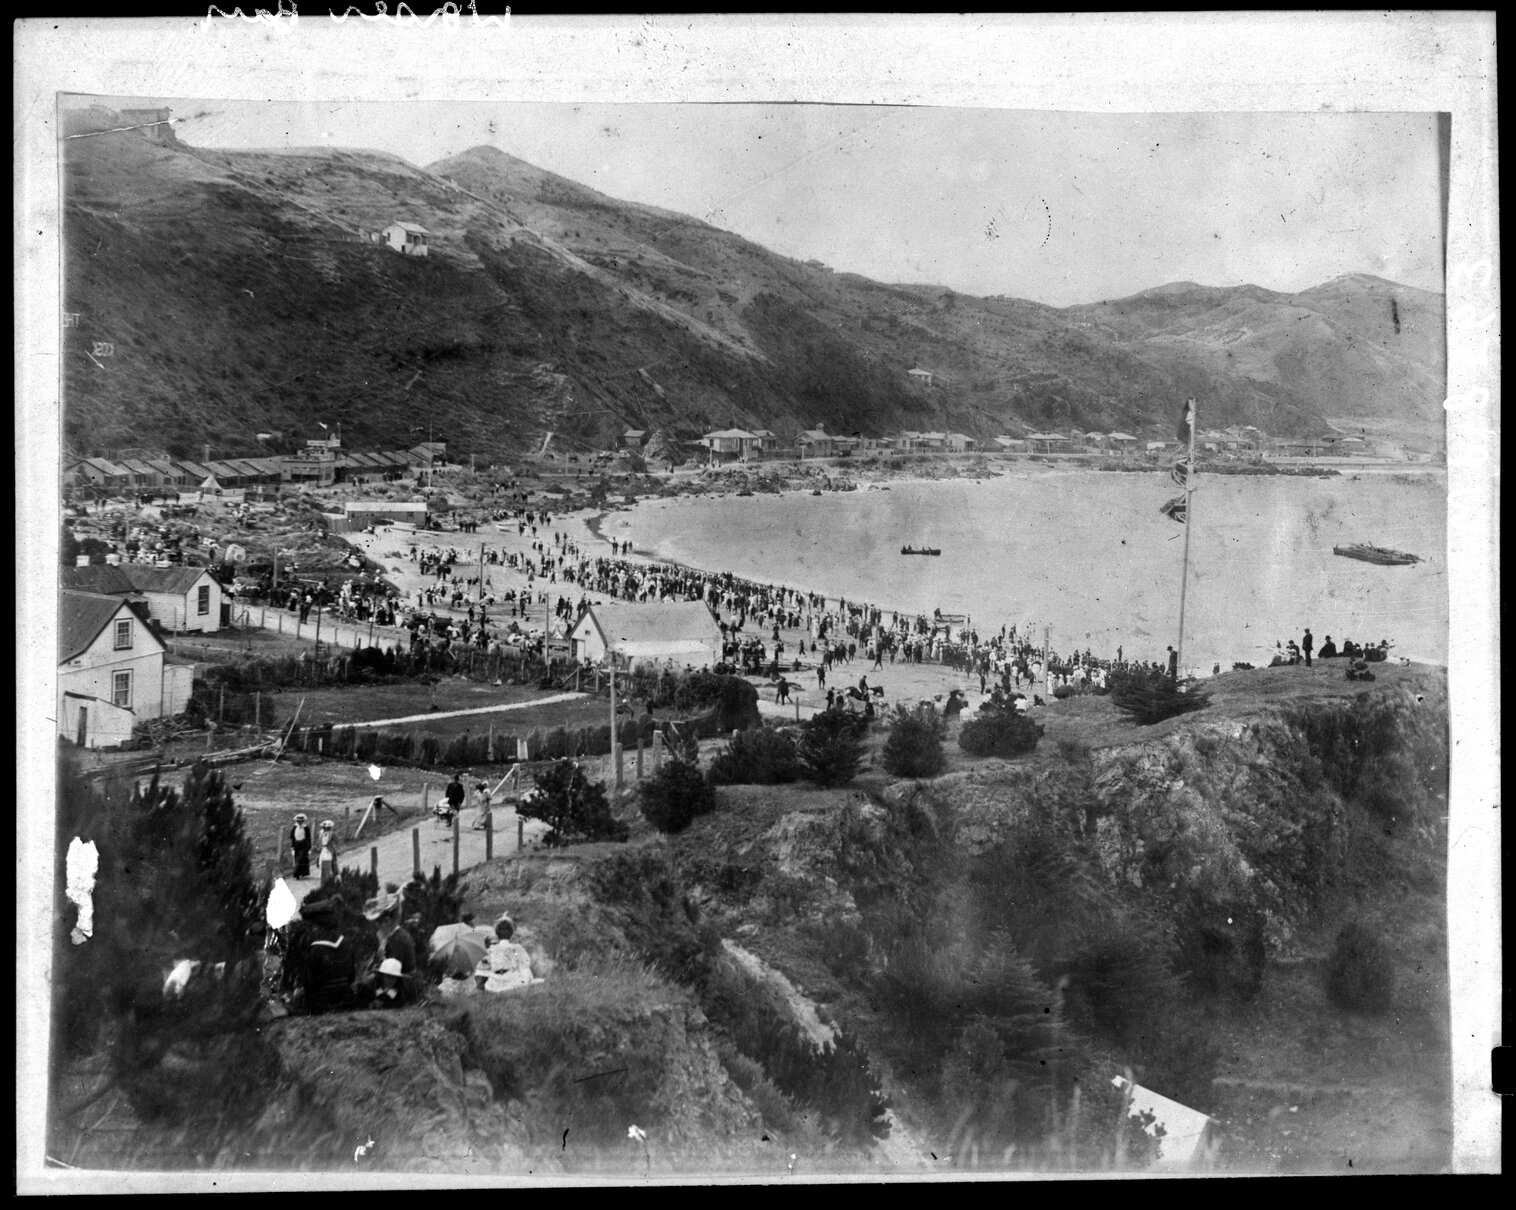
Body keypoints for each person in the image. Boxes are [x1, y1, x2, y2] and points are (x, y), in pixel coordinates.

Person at [481, 914, 537, 993]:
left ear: (497, 933)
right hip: (509, 979)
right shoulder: (516, 948)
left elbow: (487, 962)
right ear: (511, 933)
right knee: (525, 972)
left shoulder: (492, 949)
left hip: (493, 981)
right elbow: (525, 963)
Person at [289, 813, 312, 881]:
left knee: (301, 859)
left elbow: (308, 838)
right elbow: (292, 838)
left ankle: (296, 873)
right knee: (297, 859)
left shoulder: (306, 828)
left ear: (303, 821)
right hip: (296, 845)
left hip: (303, 845)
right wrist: (292, 846)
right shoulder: (294, 827)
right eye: (298, 821)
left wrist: (309, 847)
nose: (299, 822)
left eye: (301, 821)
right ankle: (299, 873)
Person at [317, 819, 339, 884]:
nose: (326, 829)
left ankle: (331, 875)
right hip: (323, 849)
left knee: (328, 861)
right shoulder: (321, 833)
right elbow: (319, 842)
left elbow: (337, 841)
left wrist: (336, 848)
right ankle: (324, 875)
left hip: (329, 849)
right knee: (321, 862)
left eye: (328, 828)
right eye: (325, 827)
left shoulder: (332, 834)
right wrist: (319, 847)